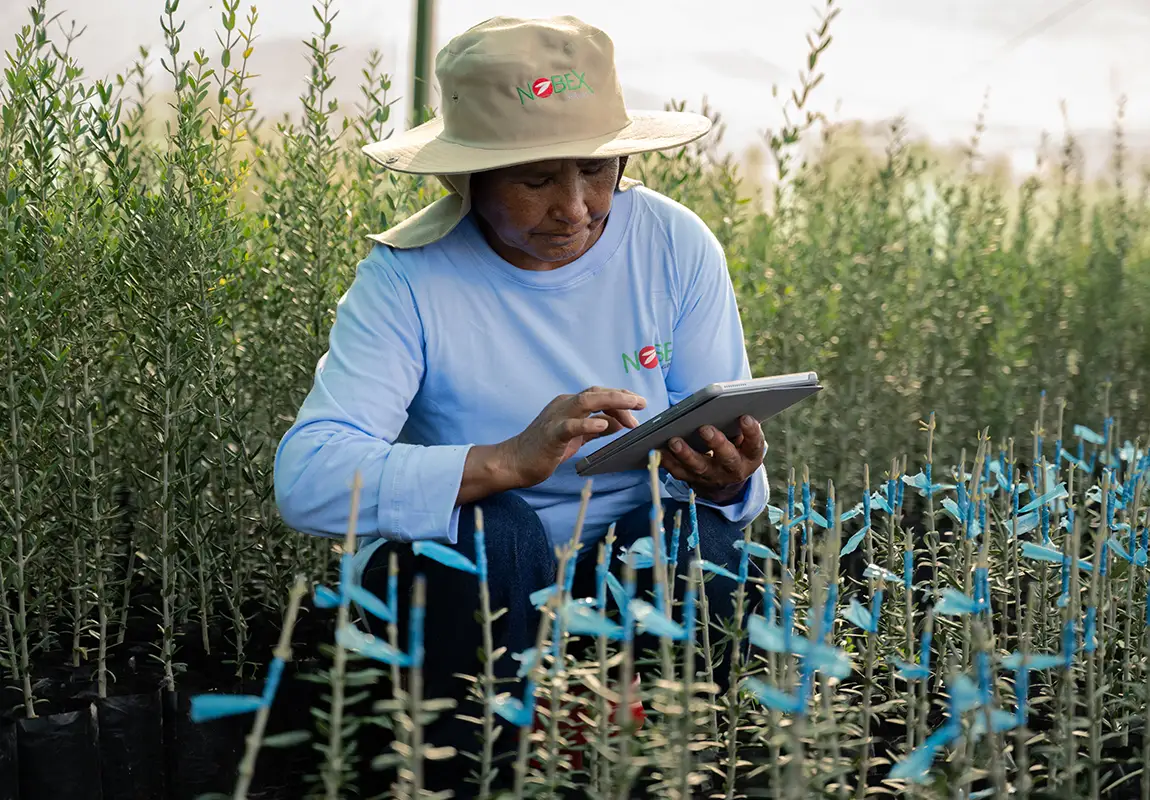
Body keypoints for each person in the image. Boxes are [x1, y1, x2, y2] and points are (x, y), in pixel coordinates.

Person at [273, 14, 770, 796]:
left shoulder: (674, 245)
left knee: (692, 548)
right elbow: (308, 476)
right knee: (495, 536)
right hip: (472, 574)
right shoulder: (409, 277)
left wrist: (728, 479)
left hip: (627, 557)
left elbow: (725, 457)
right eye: (536, 179)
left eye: (597, 170)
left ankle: (656, 770)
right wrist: (505, 461)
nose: (575, 207)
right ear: (462, 180)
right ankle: (481, 773)